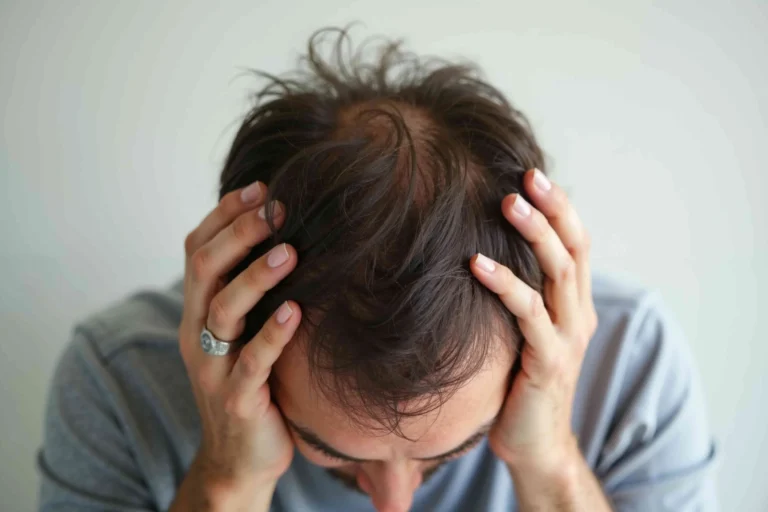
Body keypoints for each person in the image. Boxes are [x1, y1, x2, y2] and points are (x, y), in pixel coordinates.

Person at [37, 28, 718, 512]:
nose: (395, 505)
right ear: (238, 327)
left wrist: (552, 467)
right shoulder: (117, 380)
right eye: (329, 449)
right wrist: (226, 482)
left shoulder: (635, 366)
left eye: (452, 452)